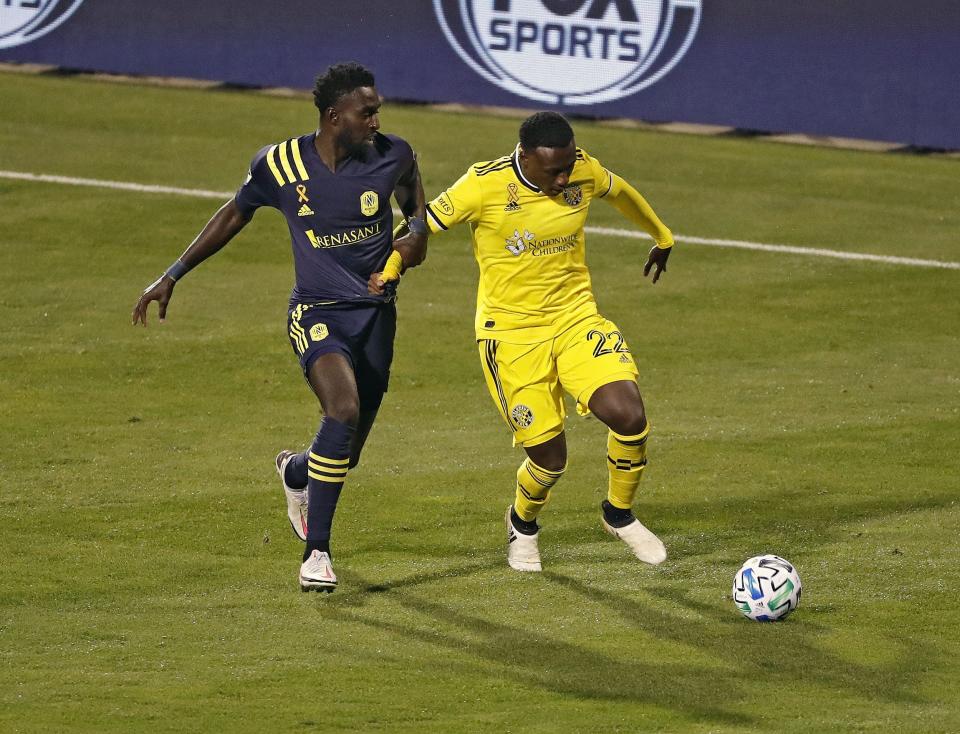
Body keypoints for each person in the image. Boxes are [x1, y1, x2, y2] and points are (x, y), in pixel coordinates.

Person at [133, 62, 428, 592]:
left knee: (345, 452)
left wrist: (406, 251)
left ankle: (296, 472)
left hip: (376, 318)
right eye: (368, 112)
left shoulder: (395, 157)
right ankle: (318, 553)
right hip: (315, 312)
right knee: (342, 409)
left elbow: (417, 221)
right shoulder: (279, 163)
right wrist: (173, 273)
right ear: (335, 116)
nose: (376, 121)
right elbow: (234, 213)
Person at [373, 111, 673, 572]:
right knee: (550, 458)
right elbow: (419, 228)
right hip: (511, 338)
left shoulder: (581, 170)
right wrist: (389, 273)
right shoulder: (482, 185)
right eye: (555, 170)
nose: (565, 177)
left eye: (569, 166)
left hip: (575, 319)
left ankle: (619, 514)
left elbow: (620, 191)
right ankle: (523, 523)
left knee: (629, 416)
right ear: (526, 158)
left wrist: (662, 236)